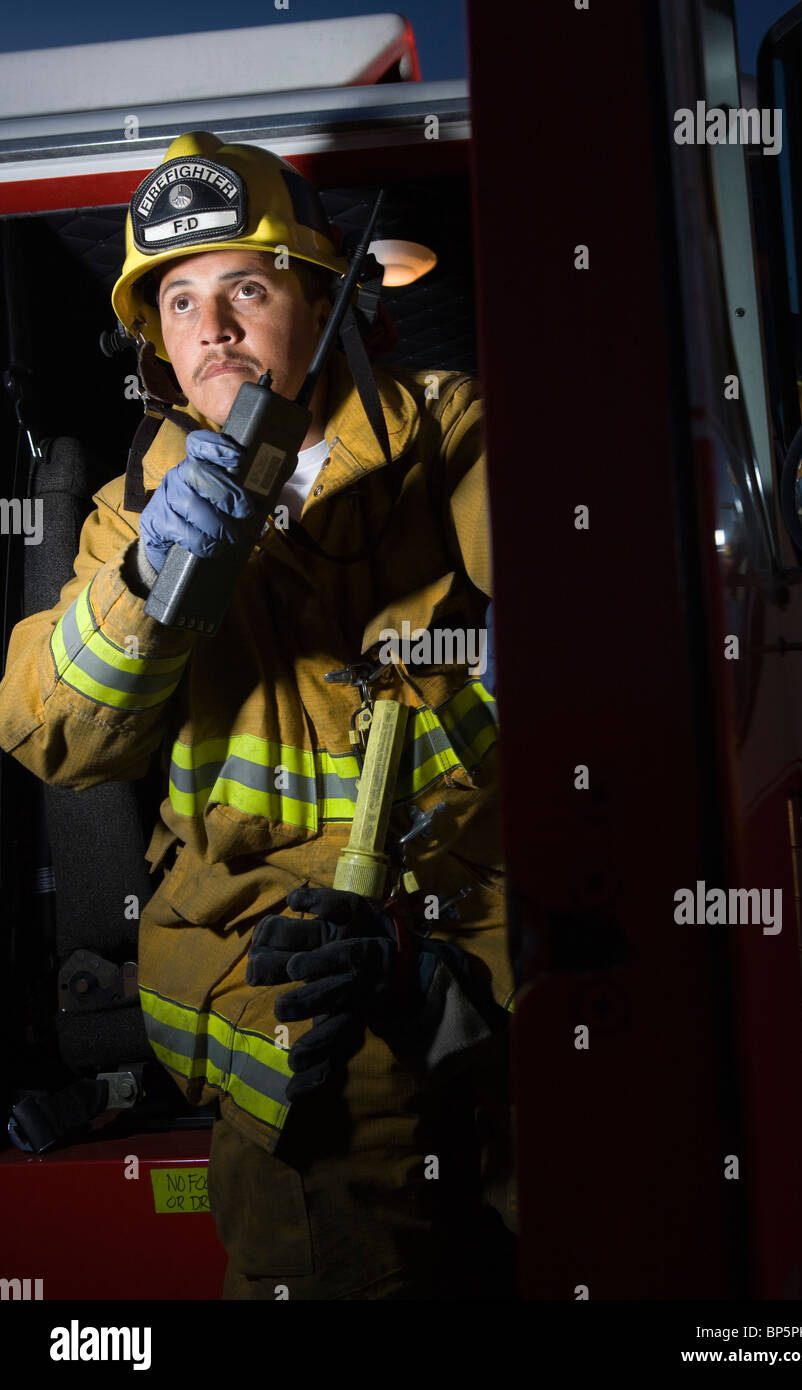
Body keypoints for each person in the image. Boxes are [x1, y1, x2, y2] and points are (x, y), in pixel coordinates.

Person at [0, 131, 517, 1300]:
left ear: (323, 297)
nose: (212, 327)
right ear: (156, 346)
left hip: (479, 935)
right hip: (271, 977)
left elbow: (599, 638)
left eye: (246, 284)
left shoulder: (445, 436)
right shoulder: (132, 517)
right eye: (178, 300)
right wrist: (145, 591)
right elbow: (53, 733)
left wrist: (428, 935)